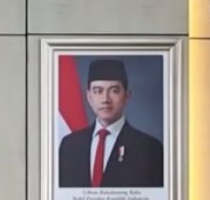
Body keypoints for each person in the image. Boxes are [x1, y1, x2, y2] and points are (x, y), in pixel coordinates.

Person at [58, 58, 164, 188]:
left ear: (126, 96)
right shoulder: (69, 145)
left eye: (114, 91)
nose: (105, 99)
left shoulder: (149, 149)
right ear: (89, 97)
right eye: (98, 91)